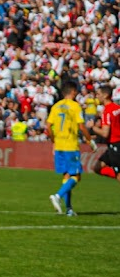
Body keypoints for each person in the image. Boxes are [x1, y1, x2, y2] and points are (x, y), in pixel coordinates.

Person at [45, 81, 94, 217]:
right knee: (76, 176)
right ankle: (57, 195)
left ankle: (69, 209)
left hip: (59, 145)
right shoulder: (75, 106)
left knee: (67, 176)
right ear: (73, 91)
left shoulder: (56, 106)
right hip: (70, 146)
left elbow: (48, 127)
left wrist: (54, 142)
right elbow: (82, 127)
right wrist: (90, 141)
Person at [89, 85, 120, 183]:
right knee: (97, 167)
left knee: (119, 174)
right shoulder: (117, 107)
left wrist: (93, 127)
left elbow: (105, 133)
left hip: (115, 144)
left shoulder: (107, 111)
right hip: (115, 144)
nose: (96, 96)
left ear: (105, 95)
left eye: (98, 94)